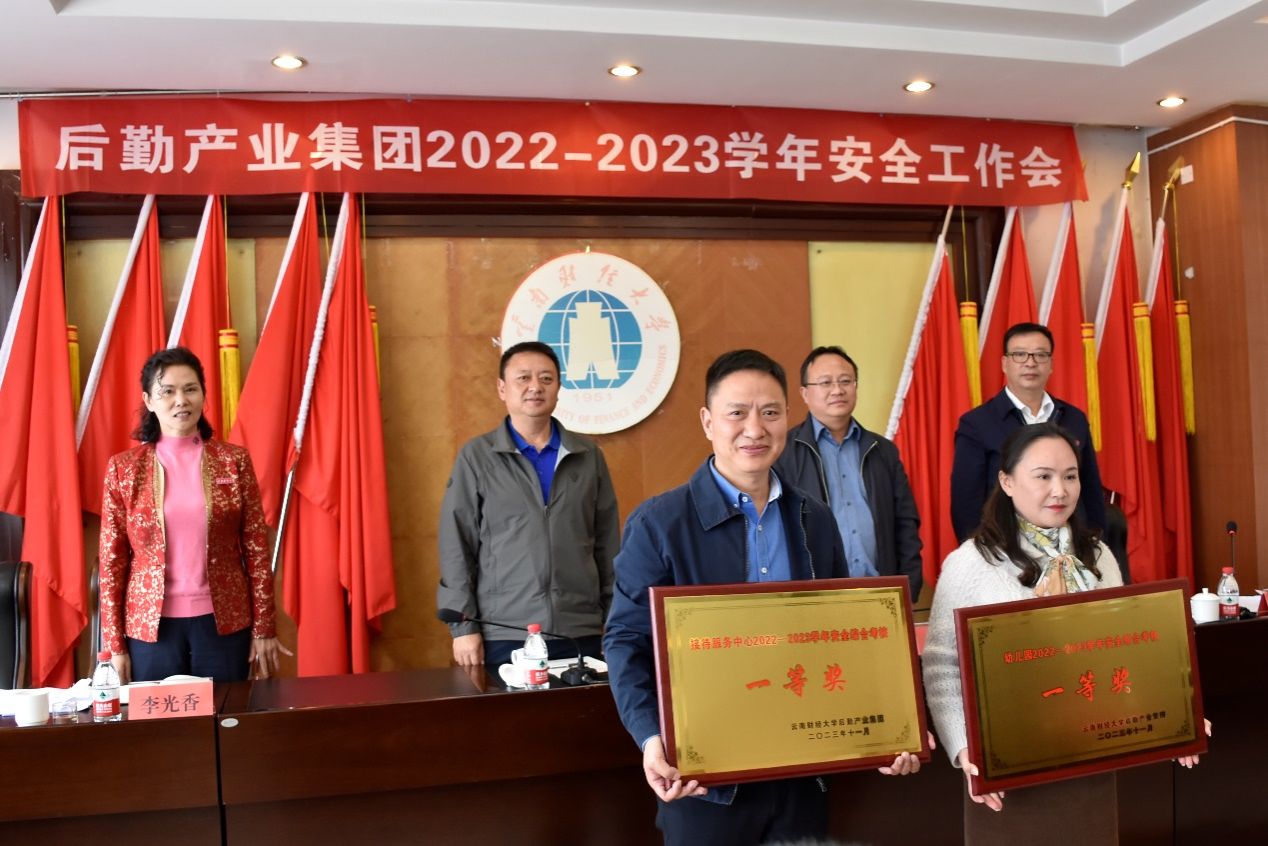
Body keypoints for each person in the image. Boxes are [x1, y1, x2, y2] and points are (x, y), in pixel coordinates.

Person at [604, 349, 922, 846]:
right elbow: (625, 641)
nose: (754, 428)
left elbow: (845, 637)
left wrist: (892, 731)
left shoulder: (814, 519)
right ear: (708, 421)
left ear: (787, 419)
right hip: (705, 781)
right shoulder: (660, 524)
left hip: (802, 773)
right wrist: (650, 738)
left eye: (770, 412)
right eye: (737, 412)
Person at [922, 422, 1205, 835]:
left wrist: (1180, 717)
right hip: (1006, 773)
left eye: (1070, 476)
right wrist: (963, 747)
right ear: (1007, 482)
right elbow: (942, 665)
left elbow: (1128, 648)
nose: (1060, 490)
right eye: (1043, 477)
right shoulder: (972, 562)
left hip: (1091, 758)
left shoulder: (1098, 556)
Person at [99, 347, 290, 684]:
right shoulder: (124, 469)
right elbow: (112, 562)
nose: (181, 400)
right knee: (159, 718)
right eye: (167, 391)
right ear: (149, 400)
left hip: (224, 623)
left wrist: (264, 627)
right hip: (150, 629)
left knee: (226, 713)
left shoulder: (233, 462)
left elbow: (257, 551)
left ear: (203, 394)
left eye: (190, 389)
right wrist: (114, 645)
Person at [437, 340, 619, 668]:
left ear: (558, 388)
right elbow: (457, 544)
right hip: (504, 630)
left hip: (580, 628)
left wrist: (615, 619)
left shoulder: (588, 456)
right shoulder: (477, 457)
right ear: (502, 388)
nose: (535, 387)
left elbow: (608, 545)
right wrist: (463, 627)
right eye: (523, 378)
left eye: (546, 378)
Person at [774, 345, 923, 599]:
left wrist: (908, 589)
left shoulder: (882, 450)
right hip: (818, 599)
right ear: (805, 393)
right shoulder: (783, 453)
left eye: (845, 381)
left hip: (881, 594)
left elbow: (905, 524)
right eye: (825, 382)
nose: (837, 390)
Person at [950, 322, 1106, 544]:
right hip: (1006, 547)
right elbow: (966, 503)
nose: (1030, 363)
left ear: (1051, 364)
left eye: (1040, 355)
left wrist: (1094, 544)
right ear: (1005, 363)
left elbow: (1090, 489)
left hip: (1070, 545)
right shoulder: (977, 424)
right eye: (1020, 355)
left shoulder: (1074, 419)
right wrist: (982, 551)